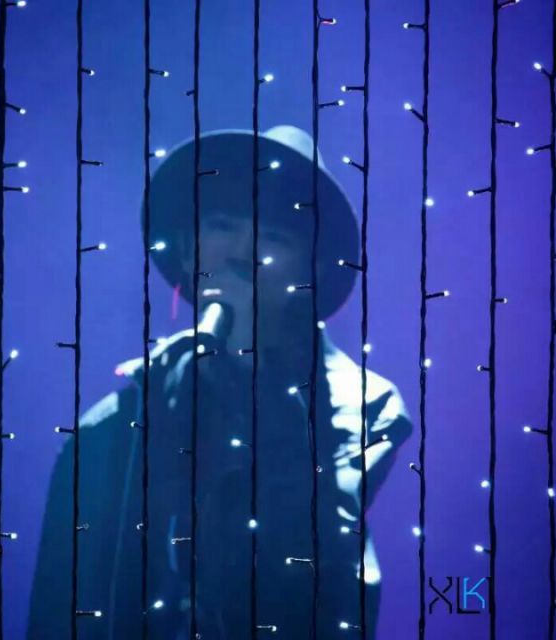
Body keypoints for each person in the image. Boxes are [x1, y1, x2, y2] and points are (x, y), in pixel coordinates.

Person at [26, 126, 413, 639]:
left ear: (311, 271)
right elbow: (61, 608)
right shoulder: (113, 429)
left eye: (274, 237)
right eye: (223, 225)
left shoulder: (361, 406)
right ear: (188, 251)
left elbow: (313, 568)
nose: (241, 252)